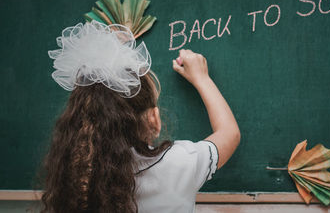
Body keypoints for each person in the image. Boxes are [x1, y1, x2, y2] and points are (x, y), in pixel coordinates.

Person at [42, 21, 240, 213]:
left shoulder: (74, 178)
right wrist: (202, 78)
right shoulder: (177, 163)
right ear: (154, 119)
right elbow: (229, 134)